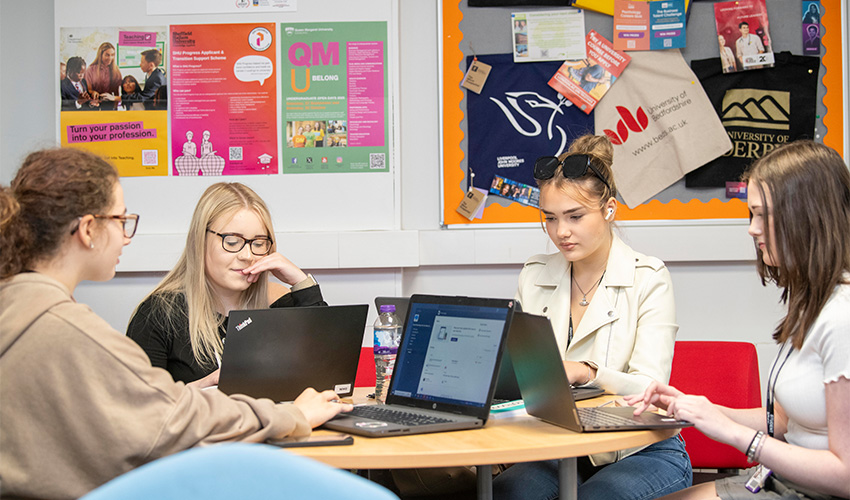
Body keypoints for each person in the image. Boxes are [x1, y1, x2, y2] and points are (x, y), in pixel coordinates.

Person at [0, 148, 350, 500]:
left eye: (258, 243)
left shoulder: (19, 306)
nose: (126, 236)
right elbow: (171, 418)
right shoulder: (72, 330)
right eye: (121, 221)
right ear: (89, 229)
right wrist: (291, 415)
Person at [626, 140, 850, 500]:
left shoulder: (842, 318)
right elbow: (787, 423)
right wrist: (699, 409)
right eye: (752, 215)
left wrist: (732, 434)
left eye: (764, 214)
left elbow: (845, 476)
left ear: (806, 215)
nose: (752, 229)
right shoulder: (813, 303)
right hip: (779, 481)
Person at [493, 135, 691, 500]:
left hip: (640, 449)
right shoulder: (534, 274)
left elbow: (650, 387)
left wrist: (589, 372)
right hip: (557, 448)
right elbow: (521, 374)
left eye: (575, 216)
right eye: (550, 218)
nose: (561, 232)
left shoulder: (649, 276)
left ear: (610, 209)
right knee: (508, 493)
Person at [126, 182, 326, 386]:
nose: (247, 255)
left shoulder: (278, 304)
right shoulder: (159, 314)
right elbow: (140, 408)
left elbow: (328, 371)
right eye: (232, 242)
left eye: (258, 244)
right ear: (200, 240)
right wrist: (205, 385)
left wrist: (301, 283)